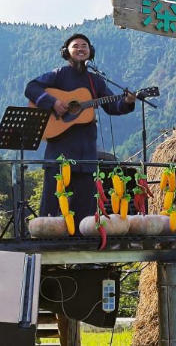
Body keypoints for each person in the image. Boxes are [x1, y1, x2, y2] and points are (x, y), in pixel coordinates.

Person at [25, 33, 136, 223]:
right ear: (66, 52)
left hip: (86, 152)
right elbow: (31, 87)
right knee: (53, 205)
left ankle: (82, 243)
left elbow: (112, 107)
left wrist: (127, 102)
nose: (80, 49)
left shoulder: (96, 81)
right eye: (75, 46)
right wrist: (53, 102)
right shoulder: (58, 74)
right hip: (60, 150)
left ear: (90, 52)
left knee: (85, 207)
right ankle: (48, 242)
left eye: (84, 45)